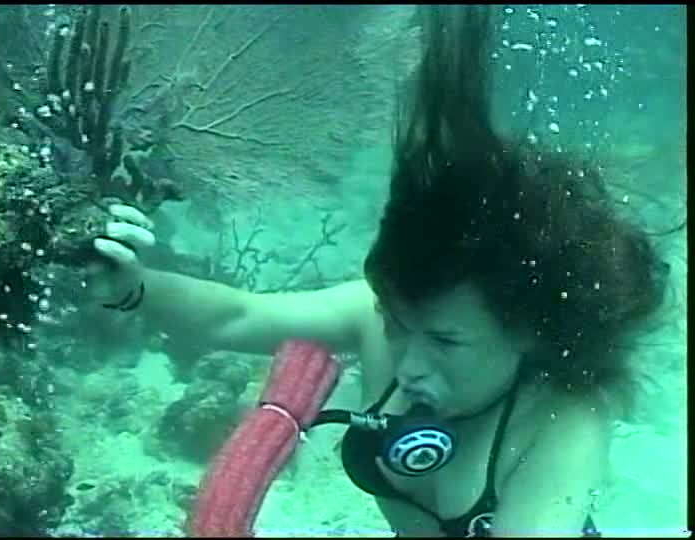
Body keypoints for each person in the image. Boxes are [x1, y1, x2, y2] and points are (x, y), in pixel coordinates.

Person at [86, 6, 667, 537]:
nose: (409, 367)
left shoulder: (563, 418)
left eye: (445, 341)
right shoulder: (376, 315)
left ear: (527, 332)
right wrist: (134, 287)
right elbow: (237, 316)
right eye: (396, 324)